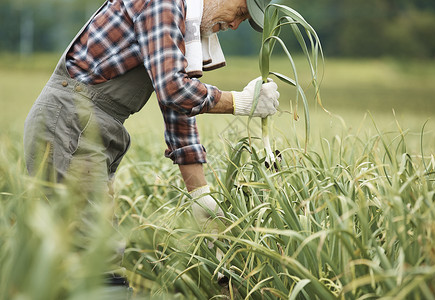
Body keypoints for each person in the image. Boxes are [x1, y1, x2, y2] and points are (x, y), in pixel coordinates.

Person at [23, 0, 277, 288]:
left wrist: (200, 194)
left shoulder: (179, 18)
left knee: (82, 251)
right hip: (69, 125)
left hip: (85, 129)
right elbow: (175, 90)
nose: (234, 25)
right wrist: (241, 102)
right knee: (95, 255)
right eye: (241, 14)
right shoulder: (163, 4)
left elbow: (178, 109)